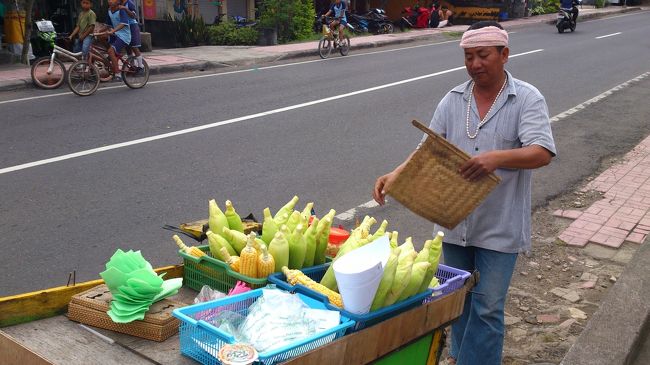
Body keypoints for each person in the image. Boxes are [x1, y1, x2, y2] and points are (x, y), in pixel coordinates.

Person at [373, 21, 556, 365]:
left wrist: (496, 158)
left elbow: (542, 152)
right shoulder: (454, 99)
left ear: (504, 55)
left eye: (483, 55)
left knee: (487, 308)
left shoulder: (527, 98)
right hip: (454, 222)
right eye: (469, 57)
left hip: (499, 226)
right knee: (459, 301)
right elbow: (427, 148)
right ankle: (461, 357)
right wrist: (396, 174)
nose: (475, 64)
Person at [104, 0, 131, 82]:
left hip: (124, 36)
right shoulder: (109, 10)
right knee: (101, 38)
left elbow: (123, 23)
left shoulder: (121, 10)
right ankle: (113, 59)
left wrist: (112, 31)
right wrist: (98, 31)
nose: (110, 1)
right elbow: (108, 24)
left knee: (110, 51)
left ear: (118, 1)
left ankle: (118, 74)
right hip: (116, 34)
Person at [119, 0, 144, 69]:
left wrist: (125, 9)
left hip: (132, 26)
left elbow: (133, 16)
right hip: (124, 26)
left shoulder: (129, 3)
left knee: (134, 46)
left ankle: (140, 66)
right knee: (127, 47)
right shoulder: (118, 3)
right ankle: (132, 65)